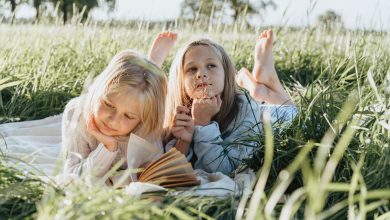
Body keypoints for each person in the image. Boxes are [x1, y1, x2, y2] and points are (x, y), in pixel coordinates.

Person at [164, 29, 297, 174]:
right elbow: (171, 172)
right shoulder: (180, 113)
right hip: (261, 109)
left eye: (211, 66)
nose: (201, 73)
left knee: (289, 108)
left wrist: (203, 125)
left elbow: (226, 170)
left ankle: (265, 84)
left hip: (281, 118)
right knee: (268, 100)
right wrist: (184, 142)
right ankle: (261, 89)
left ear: (226, 74)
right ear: (180, 81)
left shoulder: (244, 109)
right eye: (192, 69)